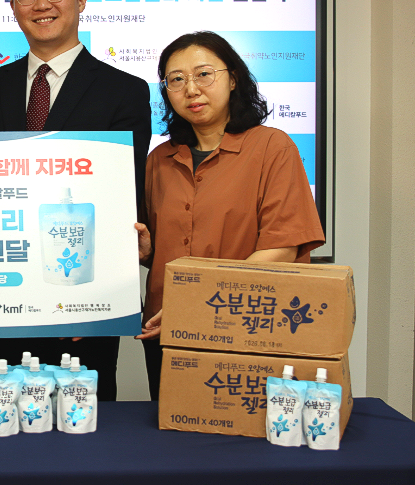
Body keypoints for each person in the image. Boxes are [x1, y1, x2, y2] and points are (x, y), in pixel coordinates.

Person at [0, 0, 151, 401]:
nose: (40, 3)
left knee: (86, 424)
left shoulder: (123, 91)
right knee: (9, 415)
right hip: (4, 290)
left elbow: (120, 194)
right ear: (14, 7)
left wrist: (96, 299)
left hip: (82, 296)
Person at [135, 31, 325, 400]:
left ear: (233, 79)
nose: (191, 89)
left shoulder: (272, 147)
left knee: (238, 431)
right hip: (165, 327)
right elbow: (167, 246)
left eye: (204, 74)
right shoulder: (159, 159)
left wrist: (193, 306)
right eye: (176, 80)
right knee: (170, 428)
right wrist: (146, 252)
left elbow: (283, 248)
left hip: (243, 327)